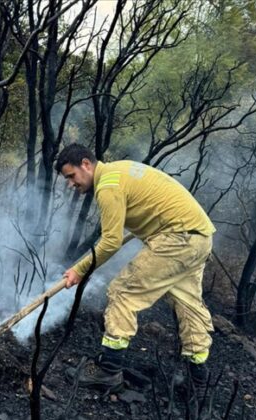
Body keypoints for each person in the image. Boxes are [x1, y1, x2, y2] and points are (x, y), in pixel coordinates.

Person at [55, 143, 215, 399]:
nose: (71, 184)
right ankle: (199, 381)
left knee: (121, 293)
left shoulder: (108, 186)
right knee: (188, 306)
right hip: (199, 238)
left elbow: (110, 242)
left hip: (177, 239)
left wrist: (79, 269)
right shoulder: (119, 171)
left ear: (86, 164)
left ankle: (108, 371)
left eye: (71, 176)